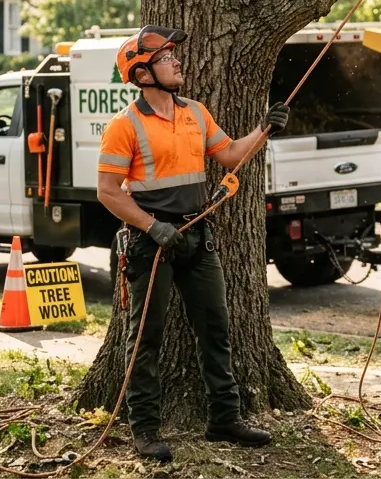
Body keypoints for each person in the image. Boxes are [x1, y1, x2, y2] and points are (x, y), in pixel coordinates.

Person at [96, 25, 291, 462]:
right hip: (153, 243)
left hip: (197, 238)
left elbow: (230, 155)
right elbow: (108, 192)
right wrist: (151, 227)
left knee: (216, 327)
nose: (177, 61)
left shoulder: (195, 113)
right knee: (145, 337)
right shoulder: (123, 126)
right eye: (166, 57)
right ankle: (144, 429)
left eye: (172, 55)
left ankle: (224, 418)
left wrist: (265, 129)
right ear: (142, 73)